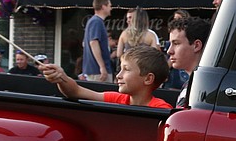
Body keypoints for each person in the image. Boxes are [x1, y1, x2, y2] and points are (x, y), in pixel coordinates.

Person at [42, 44, 171, 109]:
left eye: (126, 69)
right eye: (120, 69)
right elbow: (76, 91)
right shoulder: (117, 99)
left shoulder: (161, 109)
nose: (119, 75)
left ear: (148, 79)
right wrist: (61, 78)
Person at [165, 16, 211, 106]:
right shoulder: (194, 84)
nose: (169, 51)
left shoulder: (203, 88)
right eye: (170, 44)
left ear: (196, 46)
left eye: (176, 43)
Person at [82, 0, 113, 82]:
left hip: (94, 70)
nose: (111, 8)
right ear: (103, 7)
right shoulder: (96, 22)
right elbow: (93, 43)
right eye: (110, 6)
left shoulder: (93, 21)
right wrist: (102, 67)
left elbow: (85, 43)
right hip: (97, 71)